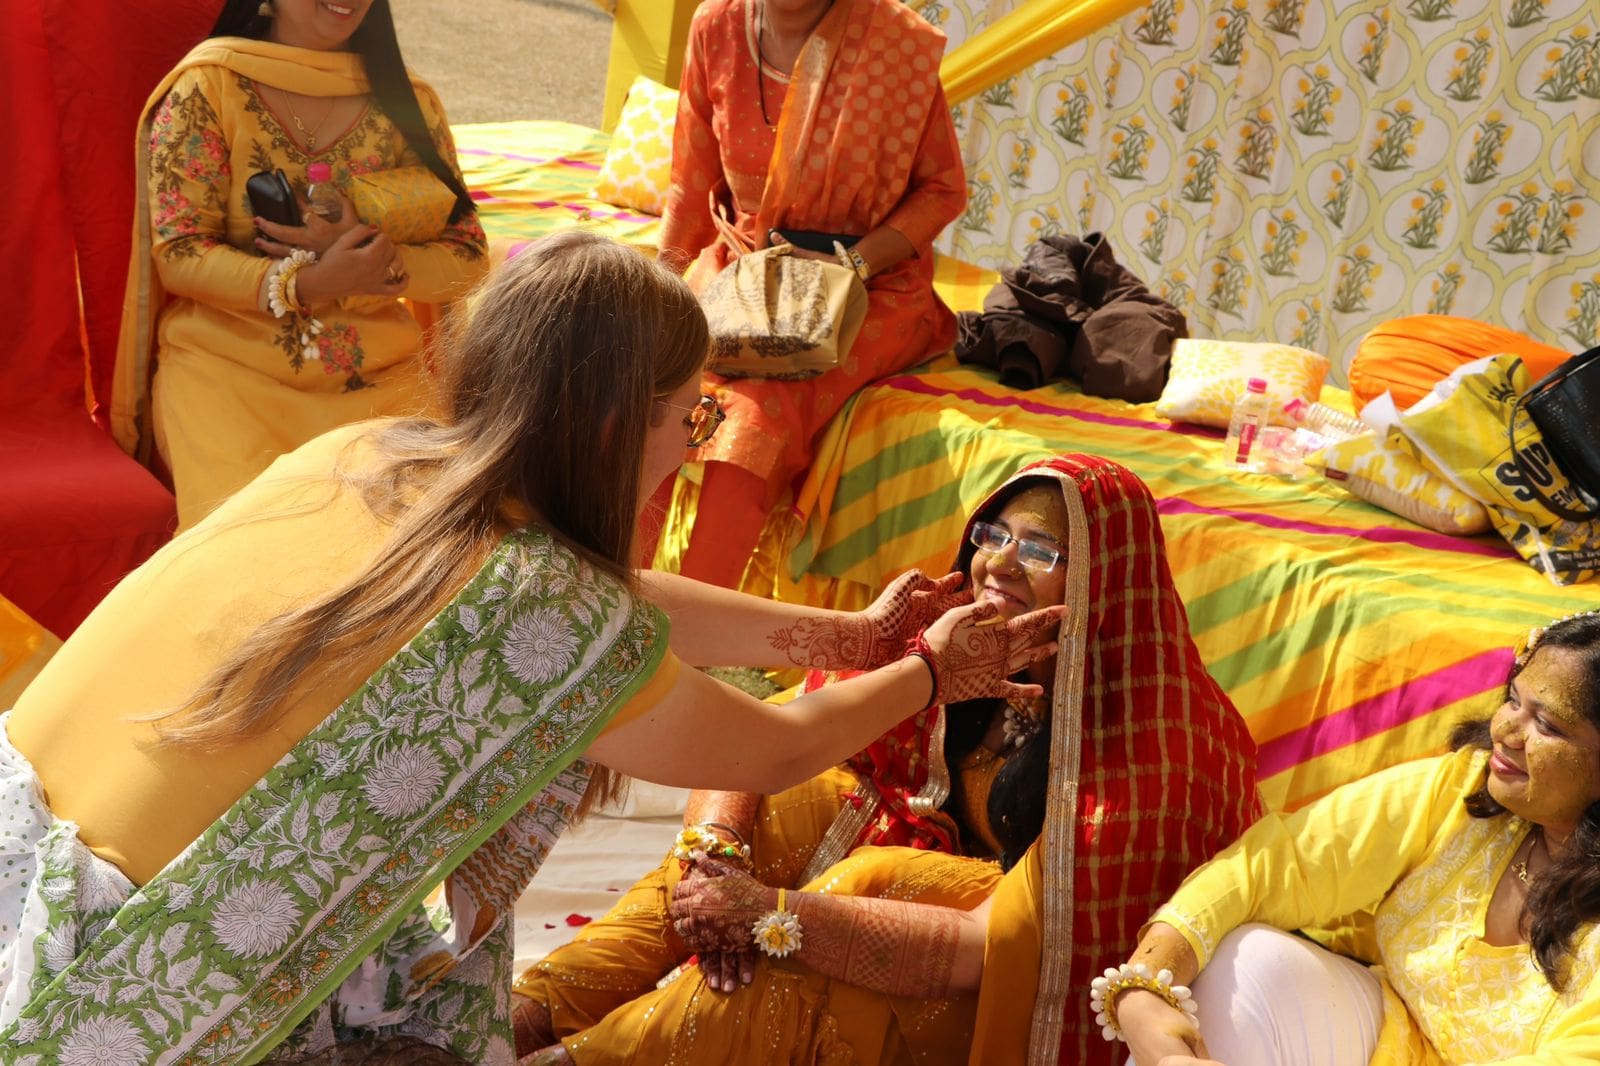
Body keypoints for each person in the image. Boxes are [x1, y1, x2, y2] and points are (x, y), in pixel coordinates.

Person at [0, 233, 1061, 1065]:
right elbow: (773, 748)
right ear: (611, 428)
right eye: (691, 421)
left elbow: (605, 594)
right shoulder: (543, 611)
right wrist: (928, 669)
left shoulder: (370, 451)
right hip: (114, 987)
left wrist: (852, 636)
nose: (691, 453)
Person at [513, 454, 1263, 1065]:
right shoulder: (959, 635)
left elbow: (990, 947)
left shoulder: (1160, 745)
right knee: (783, 808)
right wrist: (715, 863)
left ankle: (582, 1060)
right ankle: (532, 1012)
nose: (998, 563)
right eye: (992, 534)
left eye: (1040, 550)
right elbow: (773, 738)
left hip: (1016, 977)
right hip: (926, 892)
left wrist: (773, 917)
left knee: (854, 899)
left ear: (1103, 583)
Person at [1102, 609, 1600, 1066]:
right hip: (1398, 1043)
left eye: (1547, 725)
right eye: (1514, 699)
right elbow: (1282, 863)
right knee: (1249, 959)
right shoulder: (1466, 790)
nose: (1506, 730)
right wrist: (1146, 985)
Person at [110, 0, 490, 529]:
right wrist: (307, 282)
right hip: (229, 373)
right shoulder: (208, 87)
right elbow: (179, 251)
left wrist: (380, 265)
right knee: (250, 547)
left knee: (415, 549)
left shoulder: (407, 101)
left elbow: (469, 254)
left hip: (376, 377)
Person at [651, 0, 967, 588]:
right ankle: (602, 602)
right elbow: (690, 187)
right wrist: (655, 297)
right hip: (741, 268)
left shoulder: (896, 42)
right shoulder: (714, 27)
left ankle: (684, 632)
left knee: (756, 410)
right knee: (652, 386)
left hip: (863, 285)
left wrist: (850, 263)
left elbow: (944, 190)